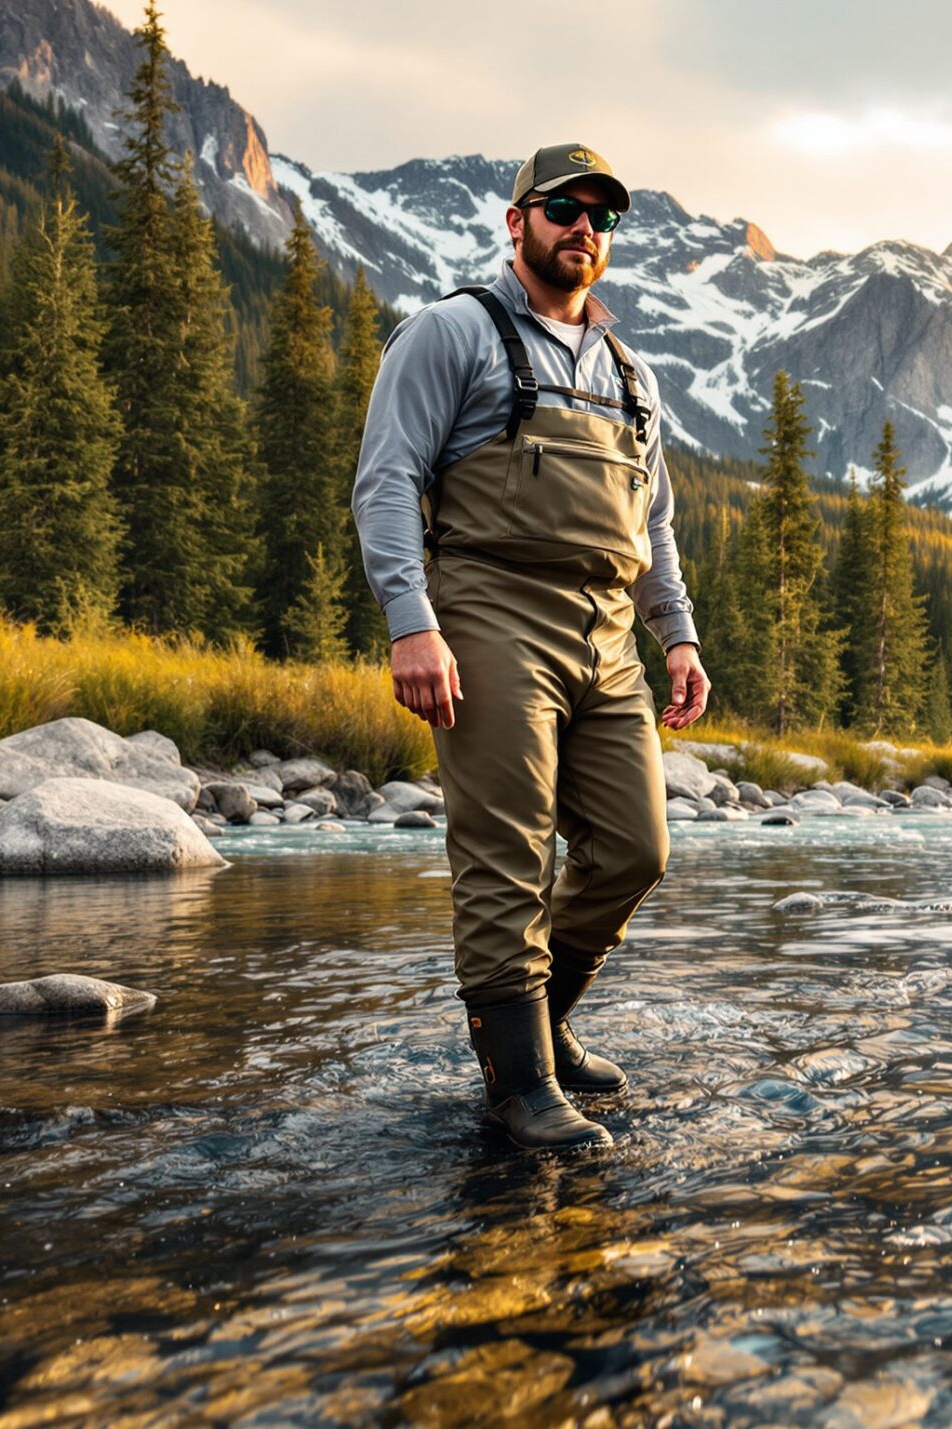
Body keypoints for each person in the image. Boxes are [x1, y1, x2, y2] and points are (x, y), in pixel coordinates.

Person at [351, 143, 710, 1153]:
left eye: (600, 215)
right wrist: (411, 621)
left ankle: (542, 1025)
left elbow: (656, 525)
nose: (582, 227)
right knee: (506, 856)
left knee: (637, 848)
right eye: (563, 208)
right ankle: (520, 1086)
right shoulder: (451, 333)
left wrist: (674, 636)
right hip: (489, 610)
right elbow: (385, 482)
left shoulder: (630, 374)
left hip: (608, 634)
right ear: (517, 222)